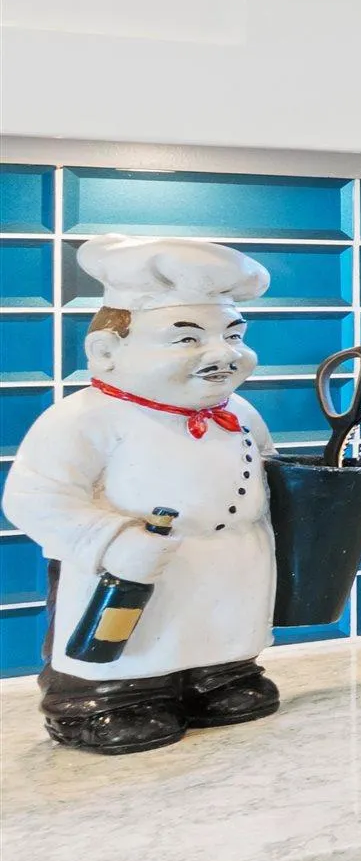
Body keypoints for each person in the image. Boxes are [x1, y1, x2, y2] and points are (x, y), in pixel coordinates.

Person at [3, 237, 279, 754]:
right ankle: (108, 699)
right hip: (130, 570)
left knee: (216, 619)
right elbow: (34, 498)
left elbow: (267, 468)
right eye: (187, 339)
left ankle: (216, 676)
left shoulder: (240, 413)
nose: (224, 354)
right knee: (127, 641)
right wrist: (111, 539)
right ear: (106, 353)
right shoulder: (85, 419)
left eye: (234, 335)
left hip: (228, 568)